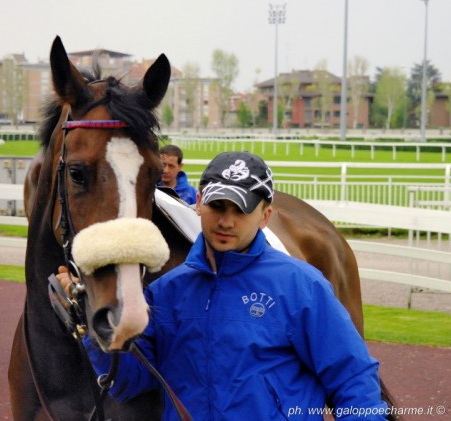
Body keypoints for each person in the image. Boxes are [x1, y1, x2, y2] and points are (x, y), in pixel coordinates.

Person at [58, 151, 389, 420]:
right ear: (199, 202)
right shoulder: (165, 294)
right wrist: (87, 319)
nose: (226, 221)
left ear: (265, 215)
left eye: (240, 210)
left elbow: (352, 379)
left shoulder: (302, 286)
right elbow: (129, 382)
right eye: (217, 206)